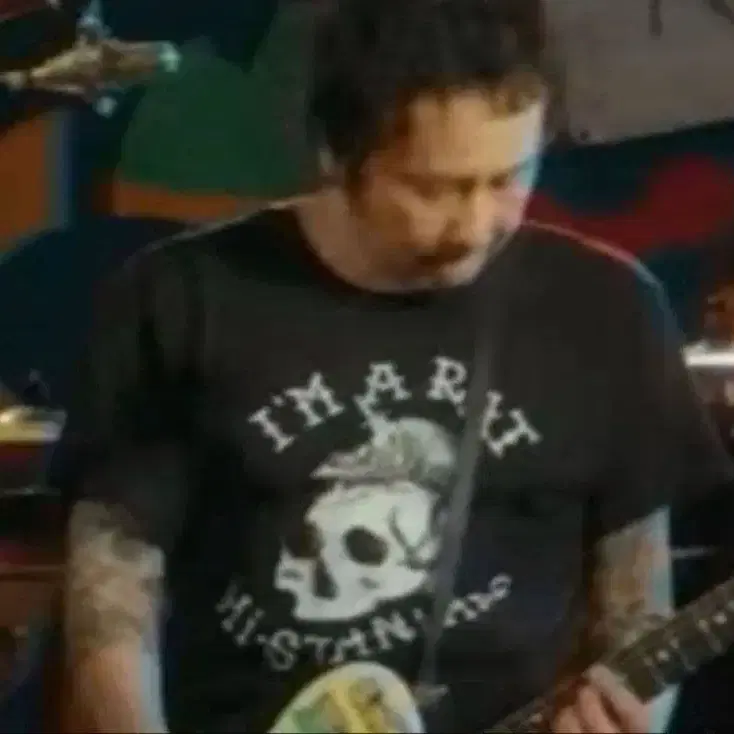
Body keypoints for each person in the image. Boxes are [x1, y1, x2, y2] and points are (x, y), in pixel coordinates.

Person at [52, 0, 734, 732]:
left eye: (510, 176)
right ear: (336, 156)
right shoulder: (181, 299)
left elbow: (637, 607)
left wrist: (630, 719)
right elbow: (111, 603)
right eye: (432, 188)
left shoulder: (608, 308)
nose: (476, 225)